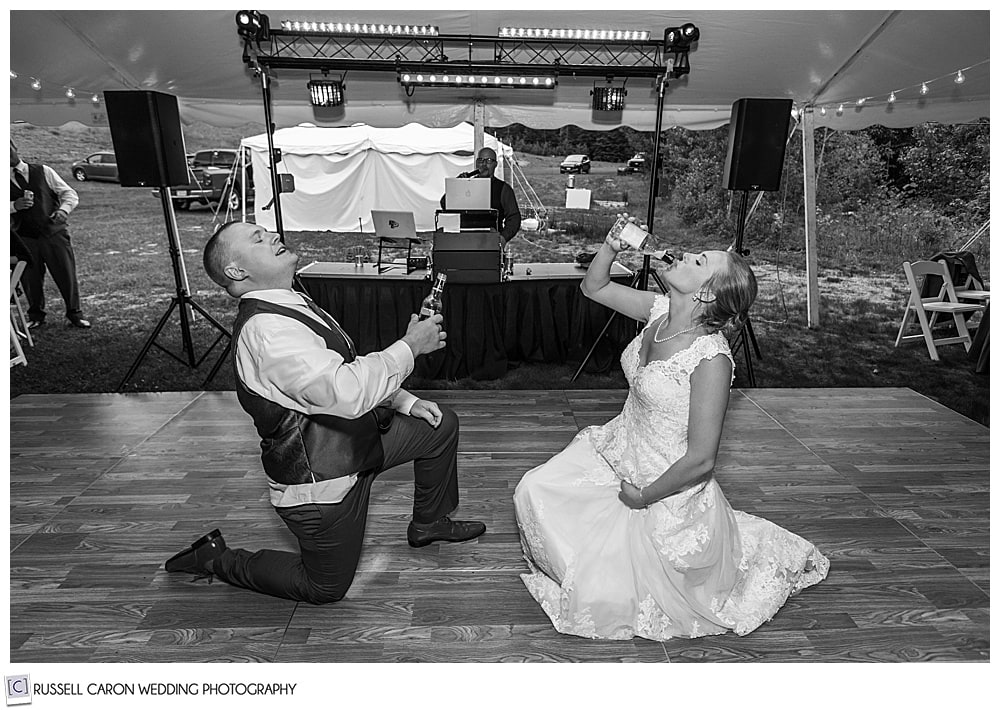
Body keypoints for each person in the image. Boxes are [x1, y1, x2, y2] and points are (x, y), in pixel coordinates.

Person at [513, 216, 829, 640]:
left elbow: (701, 459)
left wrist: (642, 497)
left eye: (698, 261)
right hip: (619, 446)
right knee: (532, 490)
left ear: (707, 292)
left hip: (664, 483)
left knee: (604, 590)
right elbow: (594, 288)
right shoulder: (659, 311)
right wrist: (610, 246)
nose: (682, 255)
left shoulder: (711, 360)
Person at [165, 221, 486, 604]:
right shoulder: (267, 331)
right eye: (258, 238)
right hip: (322, 481)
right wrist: (409, 347)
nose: (273, 236)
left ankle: (429, 523)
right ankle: (218, 559)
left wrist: (405, 401)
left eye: (267, 231)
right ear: (237, 271)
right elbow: (345, 391)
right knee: (324, 588)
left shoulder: (288, 301)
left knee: (438, 425)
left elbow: (341, 369)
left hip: (360, 443)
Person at [10, 140, 90, 328]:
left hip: (53, 233)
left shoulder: (43, 171)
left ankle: (74, 314)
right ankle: (36, 316)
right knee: (30, 279)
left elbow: (69, 193)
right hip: (24, 237)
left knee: (66, 274)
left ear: (15, 147)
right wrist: (14, 206)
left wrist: (63, 211)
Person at [440, 147, 521, 244]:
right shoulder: (466, 185)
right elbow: (445, 204)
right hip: (464, 240)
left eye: (489, 161)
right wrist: (457, 185)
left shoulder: (503, 189)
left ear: (495, 164)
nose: (484, 164)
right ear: (476, 164)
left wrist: (504, 237)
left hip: (490, 242)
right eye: (480, 160)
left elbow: (514, 217)